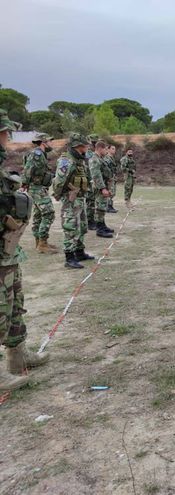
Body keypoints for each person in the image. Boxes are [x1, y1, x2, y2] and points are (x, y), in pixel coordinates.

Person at [0, 109, 49, 391]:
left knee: (14, 303)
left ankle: (18, 357)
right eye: (5, 132)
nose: (8, 137)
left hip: (7, 251)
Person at [52, 133, 95, 269]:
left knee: (82, 226)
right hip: (70, 199)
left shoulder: (80, 159)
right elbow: (59, 181)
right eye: (85, 145)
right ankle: (69, 257)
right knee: (70, 227)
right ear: (78, 146)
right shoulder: (67, 160)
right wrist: (59, 196)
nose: (88, 147)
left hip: (80, 198)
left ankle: (79, 252)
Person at [21, 133, 58, 253]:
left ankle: (39, 243)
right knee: (48, 213)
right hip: (36, 188)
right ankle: (42, 243)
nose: (51, 144)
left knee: (38, 216)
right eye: (50, 141)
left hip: (38, 187)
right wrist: (24, 184)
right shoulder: (36, 154)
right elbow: (28, 169)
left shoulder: (41, 154)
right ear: (43, 142)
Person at [89, 141, 114, 238]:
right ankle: (99, 229)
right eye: (105, 149)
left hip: (103, 186)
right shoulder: (94, 159)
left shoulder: (100, 158)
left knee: (102, 207)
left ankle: (103, 225)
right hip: (100, 187)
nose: (106, 151)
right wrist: (103, 188)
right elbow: (96, 175)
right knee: (99, 208)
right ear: (100, 148)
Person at [85, 134, 99, 230]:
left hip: (92, 180)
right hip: (89, 180)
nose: (94, 144)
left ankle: (92, 219)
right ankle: (89, 221)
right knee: (90, 201)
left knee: (93, 201)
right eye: (93, 142)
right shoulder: (88, 154)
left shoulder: (94, 153)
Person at [105, 145, 118, 213]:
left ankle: (110, 205)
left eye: (114, 149)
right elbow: (106, 169)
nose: (114, 150)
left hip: (113, 177)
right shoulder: (107, 158)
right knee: (110, 192)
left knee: (112, 192)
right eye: (112, 149)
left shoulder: (112, 158)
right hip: (109, 178)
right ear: (108, 149)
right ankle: (108, 207)